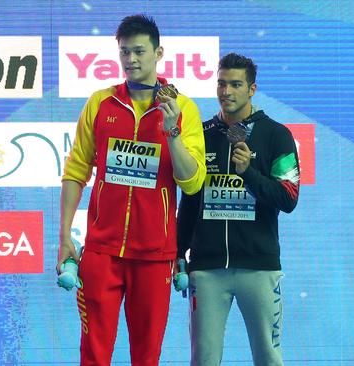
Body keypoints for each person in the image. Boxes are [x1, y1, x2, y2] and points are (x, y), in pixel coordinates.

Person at [57, 14, 206, 366]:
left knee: (146, 357)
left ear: (159, 53)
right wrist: (64, 235)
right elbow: (75, 170)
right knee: (93, 355)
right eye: (124, 52)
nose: (131, 60)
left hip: (155, 257)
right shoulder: (100, 103)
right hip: (101, 253)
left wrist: (171, 131)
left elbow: (193, 181)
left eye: (139, 51)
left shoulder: (183, 108)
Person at [176, 53, 300, 366]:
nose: (226, 91)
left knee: (268, 359)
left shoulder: (277, 135)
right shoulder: (200, 136)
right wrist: (178, 252)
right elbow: (190, 199)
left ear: (252, 89)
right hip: (206, 269)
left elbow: (288, 198)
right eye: (221, 83)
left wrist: (249, 174)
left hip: (259, 268)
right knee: (203, 360)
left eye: (235, 84)